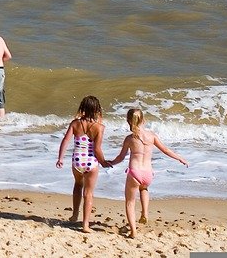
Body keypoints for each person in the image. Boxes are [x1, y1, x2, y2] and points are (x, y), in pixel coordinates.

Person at [107, 108, 189, 238]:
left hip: (135, 173)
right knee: (144, 188)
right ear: (144, 120)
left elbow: (121, 157)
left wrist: (110, 162)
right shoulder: (152, 136)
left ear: (128, 121)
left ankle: (133, 232)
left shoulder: (130, 138)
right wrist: (180, 158)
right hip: (148, 173)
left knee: (130, 202)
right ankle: (144, 213)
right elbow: (166, 150)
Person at [56, 95, 111, 233]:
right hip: (91, 162)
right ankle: (85, 225)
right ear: (97, 109)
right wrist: (103, 162)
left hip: (77, 161)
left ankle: (74, 215)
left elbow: (65, 140)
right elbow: (97, 149)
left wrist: (60, 158)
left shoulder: (75, 123)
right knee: (89, 193)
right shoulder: (99, 127)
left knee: (78, 185)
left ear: (83, 108)